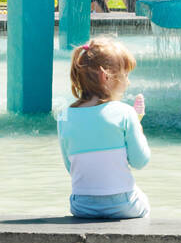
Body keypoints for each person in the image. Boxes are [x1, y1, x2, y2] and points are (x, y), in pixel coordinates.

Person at [56, 38, 150, 219]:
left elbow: (71, 167)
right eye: (126, 75)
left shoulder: (64, 116)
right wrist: (137, 123)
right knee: (144, 202)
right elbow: (141, 161)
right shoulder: (125, 113)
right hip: (123, 204)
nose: (128, 82)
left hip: (81, 205)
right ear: (106, 77)